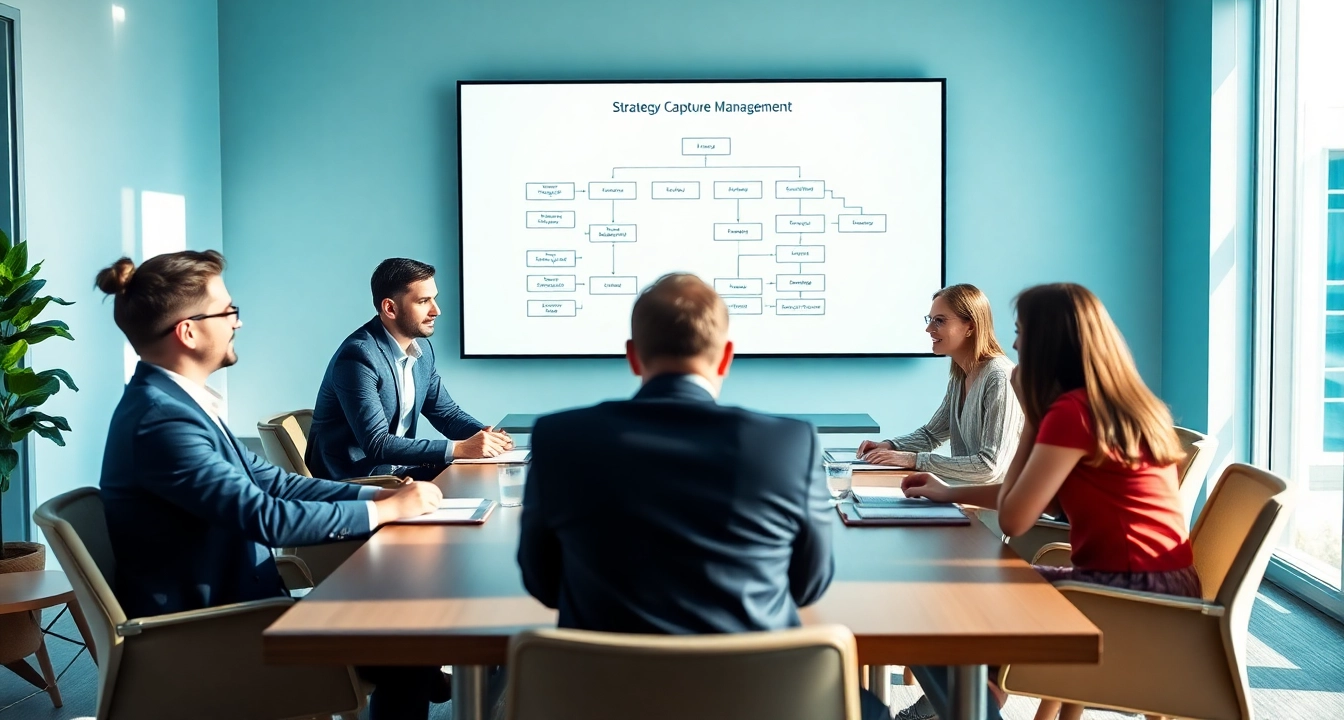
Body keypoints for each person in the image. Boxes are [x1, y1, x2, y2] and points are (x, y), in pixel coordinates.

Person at [517, 273, 888, 720]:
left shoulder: (560, 437)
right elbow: (808, 586)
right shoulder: (790, 442)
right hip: (763, 699)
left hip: (600, 699)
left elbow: (542, 582)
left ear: (633, 356)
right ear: (726, 357)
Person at [96, 251, 448, 720]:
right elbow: (265, 516)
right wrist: (385, 512)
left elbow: (274, 481)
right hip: (214, 632)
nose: (237, 323)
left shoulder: (177, 404)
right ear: (188, 331)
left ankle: (435, 675)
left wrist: (377, 495)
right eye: (228, 312)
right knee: (406, 641)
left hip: (240, 605)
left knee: (406, 635)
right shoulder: (161, 422)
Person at [894, 283, 1200, 720]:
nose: (1015, 344)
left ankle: (965, 707)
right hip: (1162, 585)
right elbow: (1034, 498)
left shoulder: (1070, 412)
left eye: (1022, 332)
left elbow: (1017, 519)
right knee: (965, 595)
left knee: (945, 601)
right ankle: (973, 704)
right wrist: (948, 492)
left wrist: (1032, 418)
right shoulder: (1116, 404)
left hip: (1129, 598)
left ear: (1050, 341)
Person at [307, 257, 511, 481]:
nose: (436, 311)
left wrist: (484, 435)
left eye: (434, 299)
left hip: (398, 471)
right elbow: (377, 444)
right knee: (468, 481)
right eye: (423, 301)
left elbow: (446, 415)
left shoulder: (421, 349)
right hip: (357, 478)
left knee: (485, 476)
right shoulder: (358, 357)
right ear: (390, 308)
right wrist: (459, 448)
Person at [857, 284, 1024, 484]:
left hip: (993, 508)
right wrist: (890, 446)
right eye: (930, 320)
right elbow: (931, 434)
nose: (929, 329)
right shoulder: (960, 375)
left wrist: (914, 460)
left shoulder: (999, 378)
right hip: (963, 495)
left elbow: (989, 467)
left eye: (939, 321)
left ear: (970, 326)